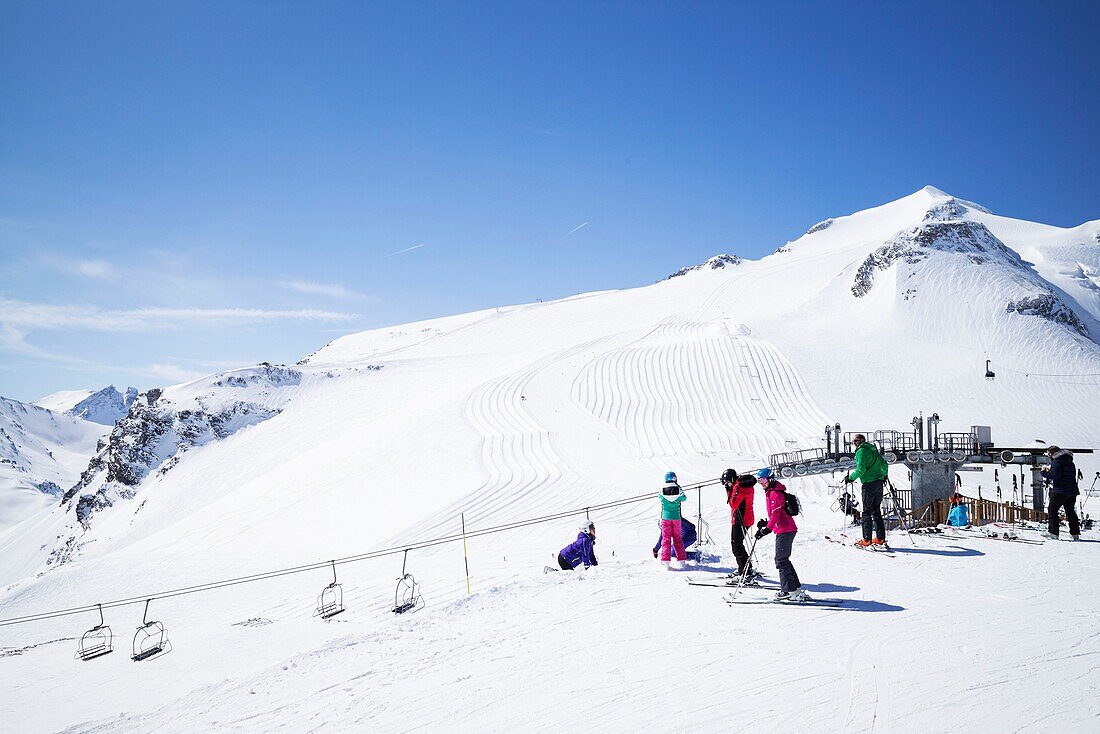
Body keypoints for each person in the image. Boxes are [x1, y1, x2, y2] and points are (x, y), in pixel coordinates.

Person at [753, 468, 805, 602]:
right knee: (784, 560)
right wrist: (766, 523)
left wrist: (767, 529)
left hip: (785, 530)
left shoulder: (775, 493)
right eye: (759, 481)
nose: (761, 483)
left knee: (781, 560)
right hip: (784, 528)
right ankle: (795, 589)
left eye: (763, 480)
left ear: (770, 478)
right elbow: (777, 513)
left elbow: (776, 514)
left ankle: (788, 591)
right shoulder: (771, 492)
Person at [844, 434, 889, 547]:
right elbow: (884, 464)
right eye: (853, 441)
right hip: (879, 483)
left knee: (867, 512)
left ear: (861, 441)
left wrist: (850, 478)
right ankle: (880, 538)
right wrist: (883, 475)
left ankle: (867, 539)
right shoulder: (873, 450)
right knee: (876, 511)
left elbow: (861, 469)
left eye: (855, 441)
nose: (854, 443)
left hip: (869, 484)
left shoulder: (861, 451)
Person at [721, 469, 755, 578]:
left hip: (741, 519)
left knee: (736, 545)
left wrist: (728, 490)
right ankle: (746, 568)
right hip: (745, 518)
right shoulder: (742, 484)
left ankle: (744, 572)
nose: (727, 484)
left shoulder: (738, 486)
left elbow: (733, 504)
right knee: (738, 544)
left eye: (727, 482)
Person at [1044, 446, 1081, 540]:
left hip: (1060, 490)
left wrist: (1044, 473)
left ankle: (1053, 533)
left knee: (1052, 510)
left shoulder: (1057, 461)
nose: (1049, 456)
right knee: (1070, 511)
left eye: (1048, 454)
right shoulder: (1069, 461)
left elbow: (1054, 475)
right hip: (1072, 490)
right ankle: (1075, 533)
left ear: (1052, 453)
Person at [658, 471, 689, 566]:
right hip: (676, 518)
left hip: (665, 518)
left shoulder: (662, 489)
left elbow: (660, 497)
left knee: (666, 539)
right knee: (677, 539)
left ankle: (665, 561)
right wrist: (679, 490)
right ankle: (682, 561)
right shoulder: (678, 490)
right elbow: (684, 498)